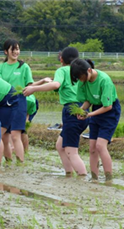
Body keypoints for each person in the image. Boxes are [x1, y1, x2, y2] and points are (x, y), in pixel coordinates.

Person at [23, 47, 89, 177]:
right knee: (60, 146)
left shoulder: (63, 70)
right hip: (84, 110)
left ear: (61, 59)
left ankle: (83, 178)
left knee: (71, 151)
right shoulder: (79, 71)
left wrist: (33, 89)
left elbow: (55, 85)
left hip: (72, 111)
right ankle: (69, 174)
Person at [70, 58, 121, 182]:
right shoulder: (83, 82)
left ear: (89, 70)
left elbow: (107, 106)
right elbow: (88, 100)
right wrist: (82, 110)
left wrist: (90, 114)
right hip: (96, 109)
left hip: (110, 111)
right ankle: (94, 178)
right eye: (78, 78)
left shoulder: (104, 80)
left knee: (100, 145)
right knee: (92, 147)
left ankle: (108, 179)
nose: (80, 80)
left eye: (81, 77)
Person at [0, 39, 34, 163]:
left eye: (17, 49)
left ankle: (20, 163)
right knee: (5, 136)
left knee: (16, 135)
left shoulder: (24, 66)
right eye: (13, 49)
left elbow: (30, 84)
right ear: (6, 51)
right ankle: (9, 161)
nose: (16, 52)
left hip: (19, 100)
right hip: (3, 102)